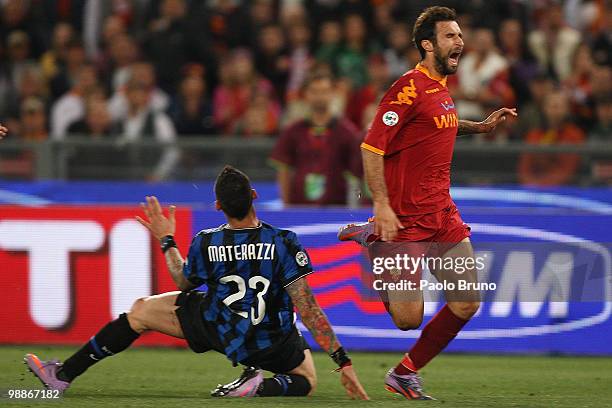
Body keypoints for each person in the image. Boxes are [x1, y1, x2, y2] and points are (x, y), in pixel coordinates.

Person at [24, 166, 369, 400]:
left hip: (217, 328)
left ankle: (64, 375)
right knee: (306, 382)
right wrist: (343, 362)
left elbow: (183, 281)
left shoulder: (206, 240)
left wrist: (167, 240)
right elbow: (307, 307)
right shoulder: (284, 241)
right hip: (271, 340)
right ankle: (260, 386)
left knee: (141, 311)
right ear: (253, 195)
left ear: (218, 205)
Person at [337, 6, 516, 400]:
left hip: (442, 215)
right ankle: (373, 238)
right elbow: (371, 148)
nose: (460, 42)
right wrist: (381, 206)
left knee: (467, 302)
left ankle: (405, 373)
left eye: (459, 35)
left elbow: (440, 123)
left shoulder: (440, 88)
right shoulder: (406, 89)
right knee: (407, 319)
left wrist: (480, 126)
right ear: (427, 44)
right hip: (403, 222)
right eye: (450, 36)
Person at [270, 71, 362, 206]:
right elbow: (283, 171)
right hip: (299, 208)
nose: (319, 96)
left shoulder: (347, 132)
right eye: (314, 91)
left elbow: (355, 176)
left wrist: (352, 209)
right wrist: (286, 206)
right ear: (306, 94)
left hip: (336, 209)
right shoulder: (292, 131)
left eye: (324, 91)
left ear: (333, 94)